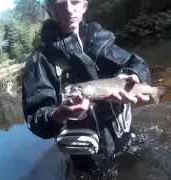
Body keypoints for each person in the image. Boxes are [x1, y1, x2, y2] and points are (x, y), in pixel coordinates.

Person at [22, 0, 152, 176]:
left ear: (84, 5)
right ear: (49, 8)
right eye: (61, 3)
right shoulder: (40, 62)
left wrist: (132, 75)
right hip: (85, 161)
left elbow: (135, 64)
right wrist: (57, 115)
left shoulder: (101, 41)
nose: (69, 9)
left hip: (126, 141)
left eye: (75, 1)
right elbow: (36, 119)